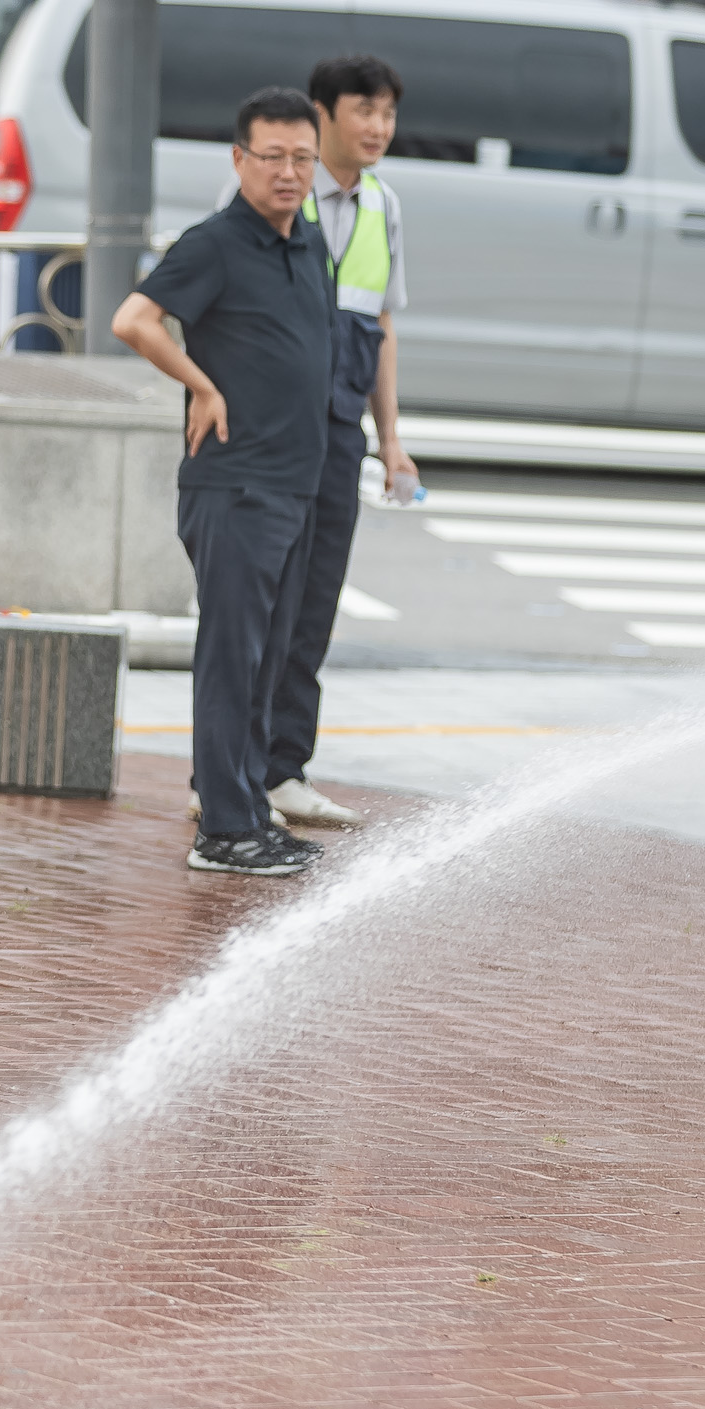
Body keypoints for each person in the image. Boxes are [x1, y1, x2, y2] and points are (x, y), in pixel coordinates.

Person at [111, 87, 335, 876]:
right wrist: (202, 386)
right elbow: (134, 319)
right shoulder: (214, 243)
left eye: (302, 157)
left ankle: (244, 807)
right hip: (235, 485)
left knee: (268, 657)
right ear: (239, 160)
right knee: (232, 655)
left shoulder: (309, 243)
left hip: (296, 483)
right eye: (271, 157)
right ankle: (225, 831)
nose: (288, 172)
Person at [259, 54, 418, 833]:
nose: (379, 127)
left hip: (338, 430)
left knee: (314, 599)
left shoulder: (384, 206)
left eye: (388, 113)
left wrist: (391, 441)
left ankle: (285, 769)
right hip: (271, 431)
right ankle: (227, 771)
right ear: (323, 113)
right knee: (261, 601)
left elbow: (381, 327)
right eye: (365, 110)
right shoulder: (278, 188)